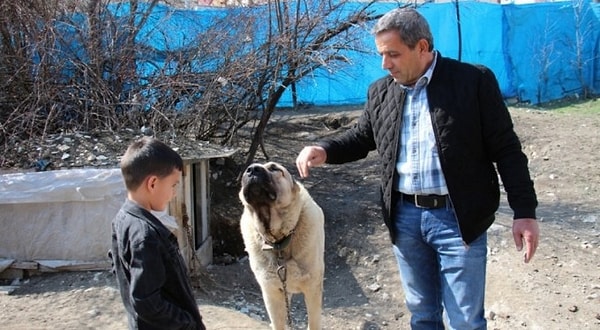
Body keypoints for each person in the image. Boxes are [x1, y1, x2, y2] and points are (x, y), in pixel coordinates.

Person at [295, 7, 539, 330]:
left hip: (458, 220)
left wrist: (525, 210)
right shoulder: (381, 92)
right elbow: (361, 137)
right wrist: (323, 149)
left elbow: (507, 150)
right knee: (423, 318)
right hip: (405, 219)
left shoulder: (473, 83)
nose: (385, 64)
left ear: (422, 47)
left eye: (393, 54)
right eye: (382, 54)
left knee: (465, 321)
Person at [109, 136, 206, 330]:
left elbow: (116, 264)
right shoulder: (145, 236)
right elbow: (147, 303)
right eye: (173, 185)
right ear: (152, 183)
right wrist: (187, 323)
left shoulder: (121, 219)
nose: (174, 194)